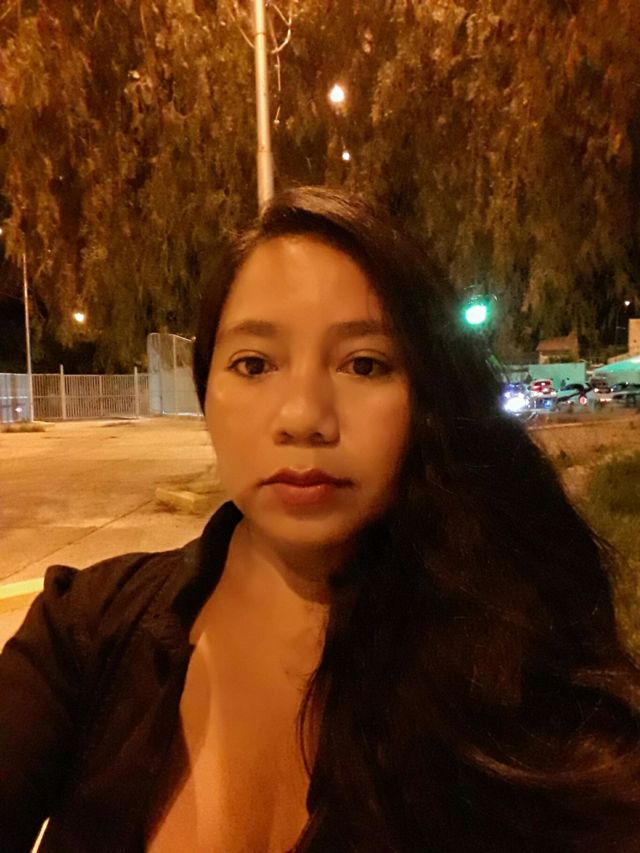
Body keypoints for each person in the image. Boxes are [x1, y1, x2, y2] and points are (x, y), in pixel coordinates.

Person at [1, 186, 640, 853]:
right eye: (254, 364)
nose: (304, 415)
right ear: (207, 393)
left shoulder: (512, 665)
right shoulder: (85, 630)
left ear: (427, 396)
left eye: (364, 364)